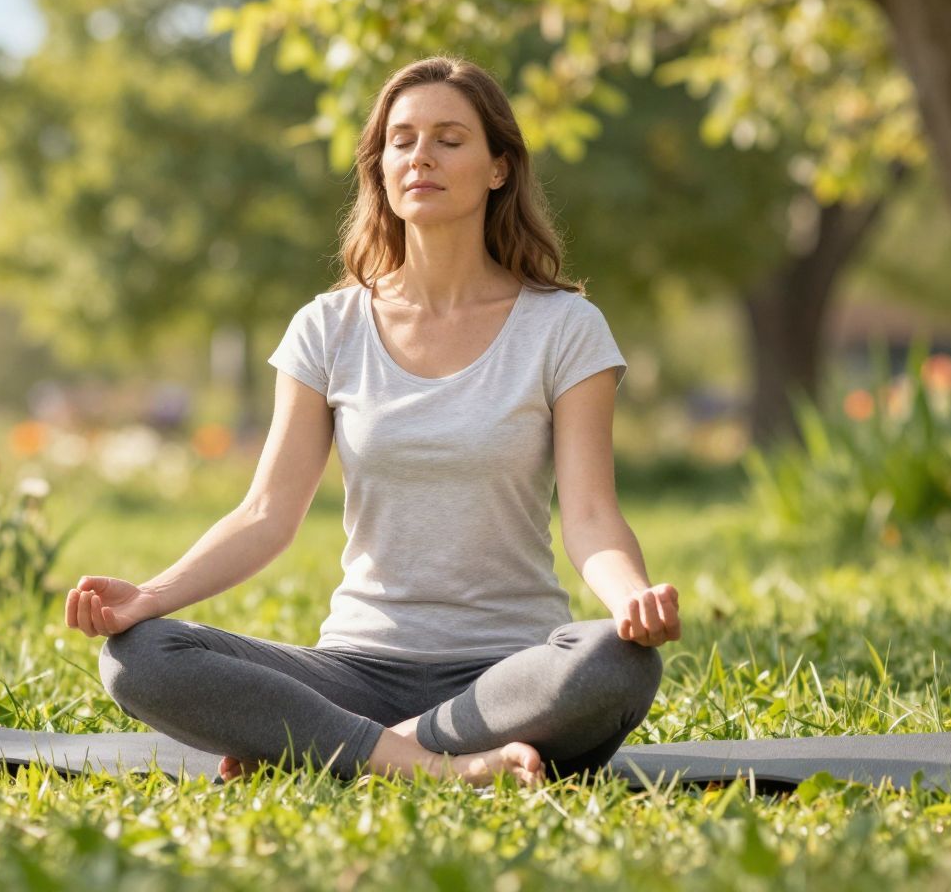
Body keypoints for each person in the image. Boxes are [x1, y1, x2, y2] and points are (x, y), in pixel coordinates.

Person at [65, 56, 681, 788]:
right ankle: (432, 767)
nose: (421, 156)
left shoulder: (564, 328)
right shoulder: (328, 327)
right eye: (402, 140)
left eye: (450, 139)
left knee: (616, 661)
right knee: (138, 656)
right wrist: (152, 596)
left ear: (499, 168)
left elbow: (591, 515)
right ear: (381, 169)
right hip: (354, 670)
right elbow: (265, 514)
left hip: (508, 676)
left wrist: (630, 598)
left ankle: (348, 750)